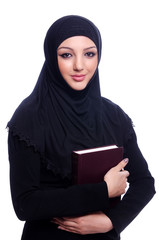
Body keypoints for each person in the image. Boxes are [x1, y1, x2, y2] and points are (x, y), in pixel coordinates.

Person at [7, 15, 155, 240]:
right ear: (51, 56)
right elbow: (24, 204)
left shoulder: (114, 116)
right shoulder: (29, 118)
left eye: (89, 54)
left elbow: (144, 183)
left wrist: (112, 222)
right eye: (66, 55)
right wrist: (102, 191)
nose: (79, 65)